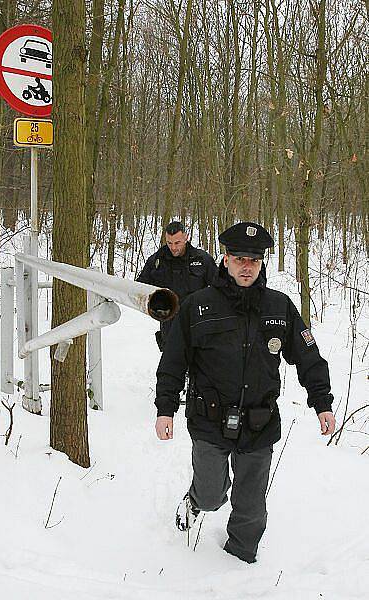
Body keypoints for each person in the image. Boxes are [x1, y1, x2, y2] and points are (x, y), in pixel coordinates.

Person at [154, 221, 335, 564]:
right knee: (211, 496)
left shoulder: (280, 307)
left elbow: (308, 357)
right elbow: (174, 360)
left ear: (262, 261)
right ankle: (196, 501)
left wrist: (321, 402)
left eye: (254, 259)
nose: (246, 266)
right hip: (208, 419)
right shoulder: (197, 306)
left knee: (251, 507)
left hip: (259, 421)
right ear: (224, 259)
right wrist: (166, 408)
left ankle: (239, 565)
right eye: (239, 258)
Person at [136, 221, 218, 350]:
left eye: (177, 243)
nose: (173, 247)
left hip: (197, 322)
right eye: (169, 243)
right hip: (169, 324)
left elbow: (219, 288)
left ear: (186, 237)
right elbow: (140, 289)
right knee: (172, 365)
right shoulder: (157, 261)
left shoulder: (202, 260)